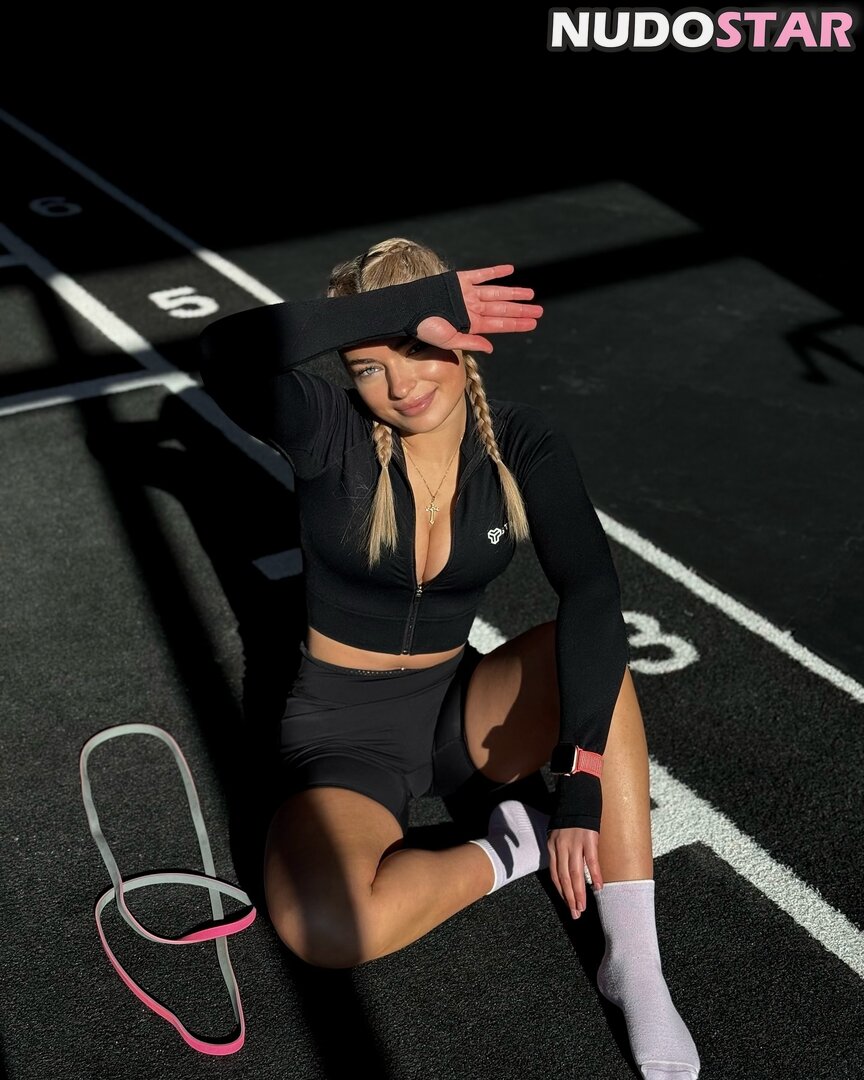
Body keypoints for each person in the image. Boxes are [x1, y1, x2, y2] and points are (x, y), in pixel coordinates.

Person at [197, 237, 700, 1080]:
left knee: (595, 654)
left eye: (418, 347)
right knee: (328, 928)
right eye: (369, 365)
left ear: (463, 339)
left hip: (460, 710)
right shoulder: (327, 430)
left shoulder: (520, 442)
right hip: (343, 738)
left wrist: (579, 783)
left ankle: (636, 969)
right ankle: (512, 847)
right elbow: (223, 352)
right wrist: (396, 313)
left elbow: (591, 592)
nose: (400, 384)